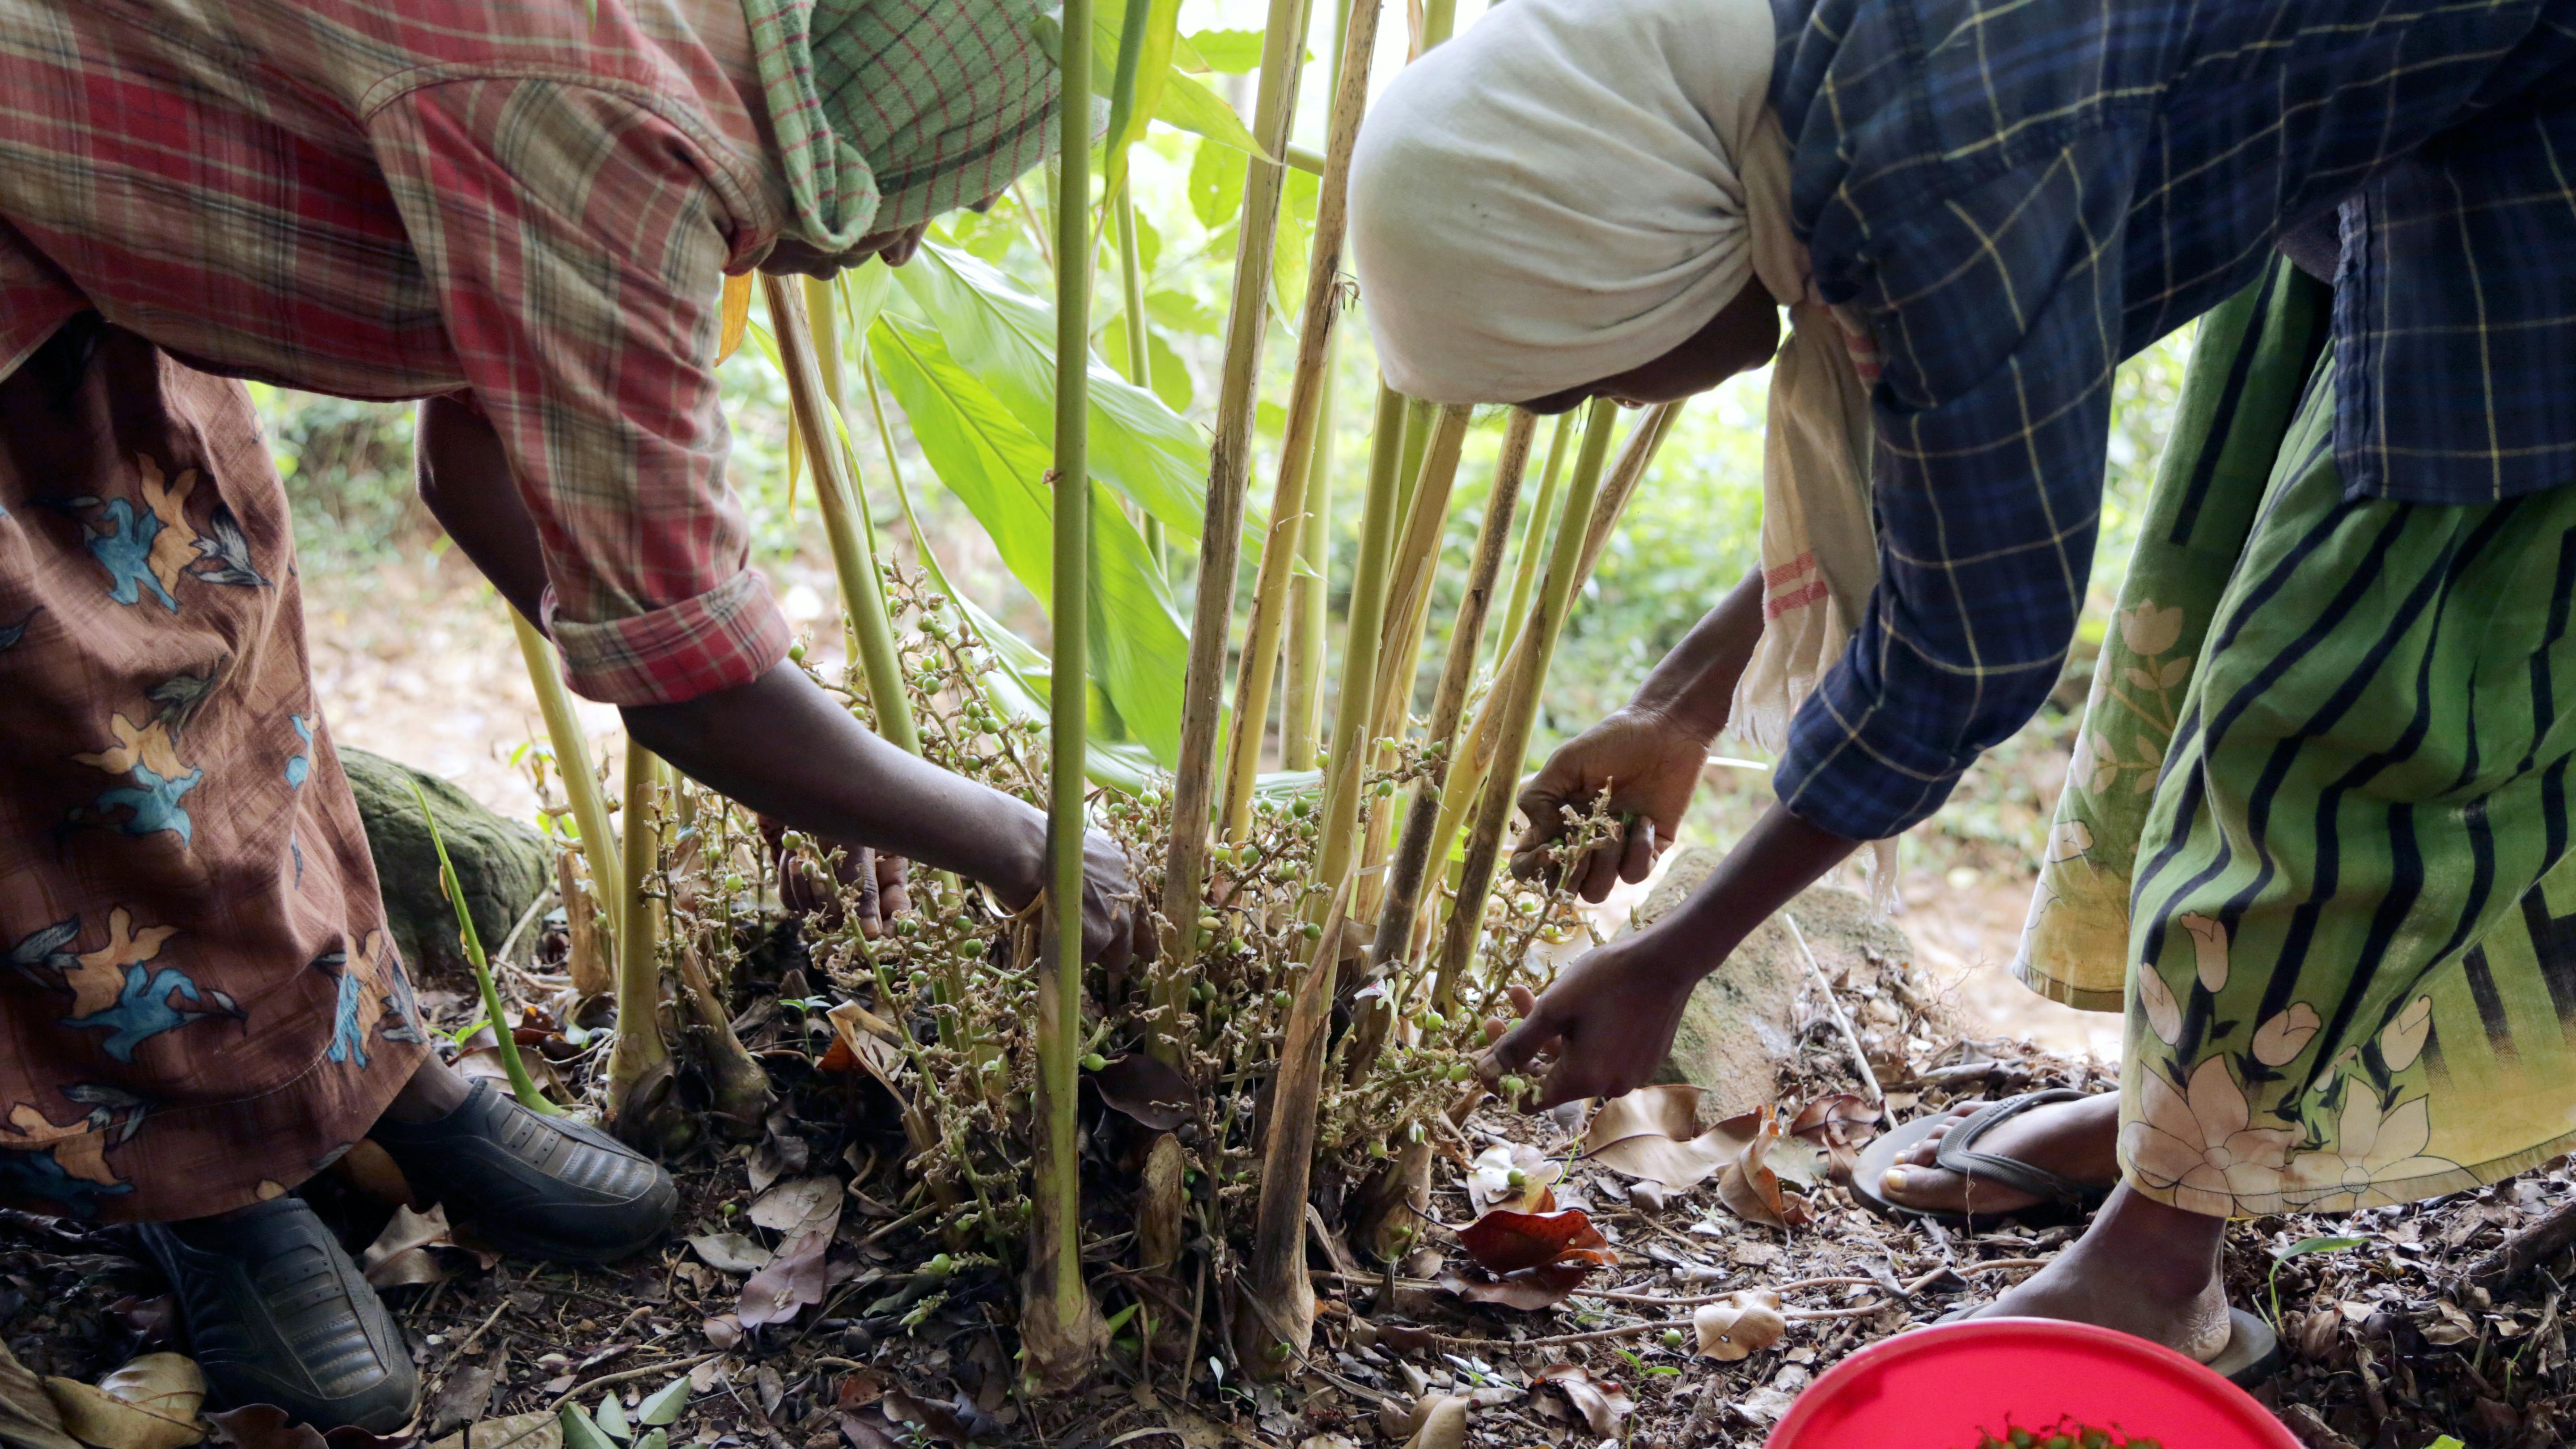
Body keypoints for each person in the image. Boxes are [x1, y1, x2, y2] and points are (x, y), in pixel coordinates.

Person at [1347, 0, 2576, 1385]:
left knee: (2331, 713)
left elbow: (1969, 650)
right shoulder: (1800, 88)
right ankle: (2174, 1122)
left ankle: (2161, 1257)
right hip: (2370, 125)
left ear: (1632, 251)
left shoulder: (1930, 166)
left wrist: (1674, 953)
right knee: (2210, 570)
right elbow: (1970, 437)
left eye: (1572, 385)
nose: (1602, 406)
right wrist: (1684, 705)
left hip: (2534, 132)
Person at [0, 0, 1142, 1430]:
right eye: (918, 199)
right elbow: (687, 684)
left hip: (103, 215)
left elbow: (478, 450)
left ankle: (361, 1080)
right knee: (66, 714)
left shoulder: (677, 73)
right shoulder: (627, 138)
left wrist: (821, 771)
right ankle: (211, 1185)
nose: (903, 244)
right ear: (843, 137)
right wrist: (1017, 841)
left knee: (216, 636)